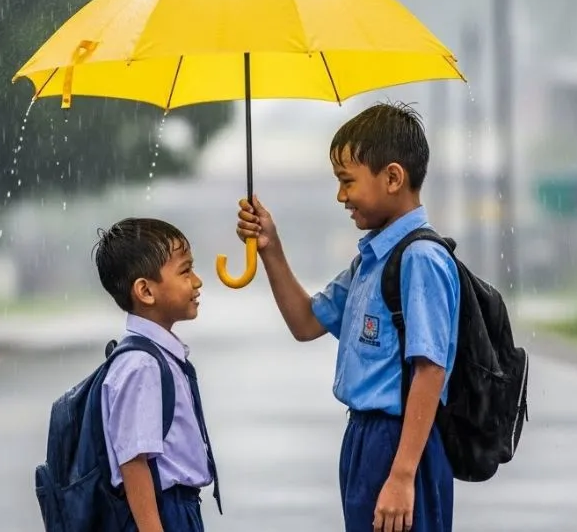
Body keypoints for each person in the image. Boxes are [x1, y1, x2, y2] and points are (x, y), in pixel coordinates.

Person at [236, 102, 459, 532]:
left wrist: (402, 475)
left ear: (393, 177)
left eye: (347, 182)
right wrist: (270, 247)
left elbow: (430, 371)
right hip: (364, 440)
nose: (341, 197)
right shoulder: (371, 261)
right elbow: (306, 322)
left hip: (400, 441)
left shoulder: (420, 259)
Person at [93, 218, 220, 532]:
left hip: (179, 507)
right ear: (146, 291)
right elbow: (134, 462)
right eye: (185, 271)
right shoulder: (142, 365)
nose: (197, 281)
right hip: (164, 512)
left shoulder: (156, 356)